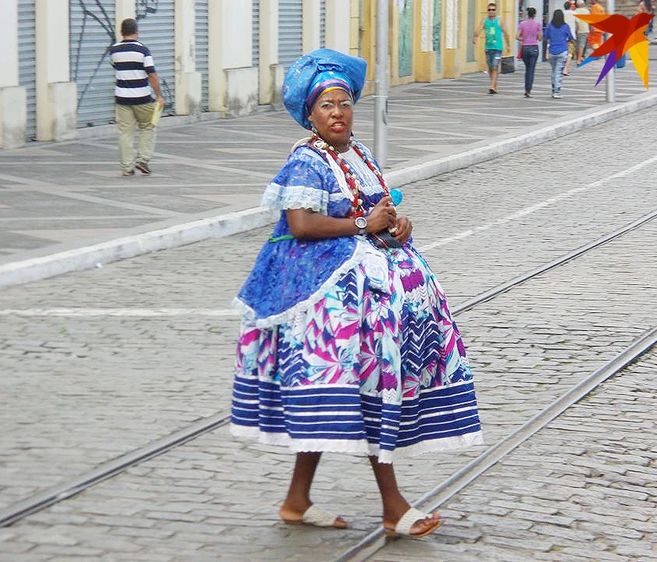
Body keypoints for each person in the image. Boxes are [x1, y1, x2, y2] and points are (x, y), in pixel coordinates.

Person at [230, 49, 483, 538]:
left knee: (345, 396)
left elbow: (374, 214)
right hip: (323, 301)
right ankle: (394, 507)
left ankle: (297, 500)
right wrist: (364, 224)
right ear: (310, 114)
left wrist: (396, 227)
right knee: (369, 389)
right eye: (327, 105)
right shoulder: (306, 160)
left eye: (344, 103)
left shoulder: (358, 155)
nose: (339, 113)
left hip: (364, 294)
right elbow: (302, 225)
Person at [109, 18, 164, 176]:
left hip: (122, 99)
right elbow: (151, 75)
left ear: (121, 32)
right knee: (148, 126)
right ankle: (143, 159)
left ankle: (127, 168)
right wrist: (159, 95)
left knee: (125, 132)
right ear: (137, 32)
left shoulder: (113, 50)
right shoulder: (143, 50)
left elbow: (116, 68)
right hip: (142, 98)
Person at [473, 3, 511, 94]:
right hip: (488, 47)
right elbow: (478, 29)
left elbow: (506, 33)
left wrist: (508, 45)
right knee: (490, 67)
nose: (491, 11)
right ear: (487, 11)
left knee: (494, 66)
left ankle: (492, 86)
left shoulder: (500, 20)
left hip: (498, 47)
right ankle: (494, 85)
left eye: (493, 10)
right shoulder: (484, 20)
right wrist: (475, 37)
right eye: (489, 10)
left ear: (495, 11)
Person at [544, 9, 575, 99]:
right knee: (558, 72)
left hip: (552, 52)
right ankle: (556, 91)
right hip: (562, 51)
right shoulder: (565, 26)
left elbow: (545, 37)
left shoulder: (550, 27)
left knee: (554, 71)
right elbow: (570, 37)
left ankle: (554, 89)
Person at [517, 7, 542, 97]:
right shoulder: (537, 24)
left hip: (525, 48)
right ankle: (528, 90)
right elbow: (539, 38)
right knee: (531, 70)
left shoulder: (522, 24)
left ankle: (526, 89)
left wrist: (523, 39)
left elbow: (517, 36)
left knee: (527, 69)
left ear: (528, 14)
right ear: (534, 15)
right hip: (534, 47)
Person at [573, 0, 590, 64]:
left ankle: (579, 57)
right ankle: (579, 59)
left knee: (578, 45)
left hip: (577, 30)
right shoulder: (587, 11)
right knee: (582, 45)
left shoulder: (575, 12)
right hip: (585, 29)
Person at [562, 2, 578, 75]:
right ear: (570, 6)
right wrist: (575, 31)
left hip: (562, 35)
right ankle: (565, 69)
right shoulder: (574, 13)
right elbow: (577, 24)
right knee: (570, 53)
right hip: (571, 35)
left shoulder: (561, 13)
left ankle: (561, 67)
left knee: (562, 52)